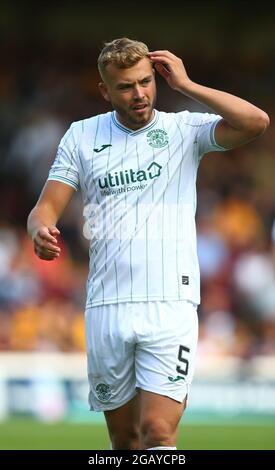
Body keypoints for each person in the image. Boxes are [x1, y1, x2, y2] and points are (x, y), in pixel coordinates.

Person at [27, 38, 269, 450]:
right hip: (106, 305)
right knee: (126, 441)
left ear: (156, 79)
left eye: (144, 82)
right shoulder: (82, 136)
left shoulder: (184, 129)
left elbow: (256, 121)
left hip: (170, 302)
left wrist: (188, 86)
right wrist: (39, 229)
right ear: (105, 90)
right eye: (125, 86)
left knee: (159, 432)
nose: (138, 94)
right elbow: (43, 209)